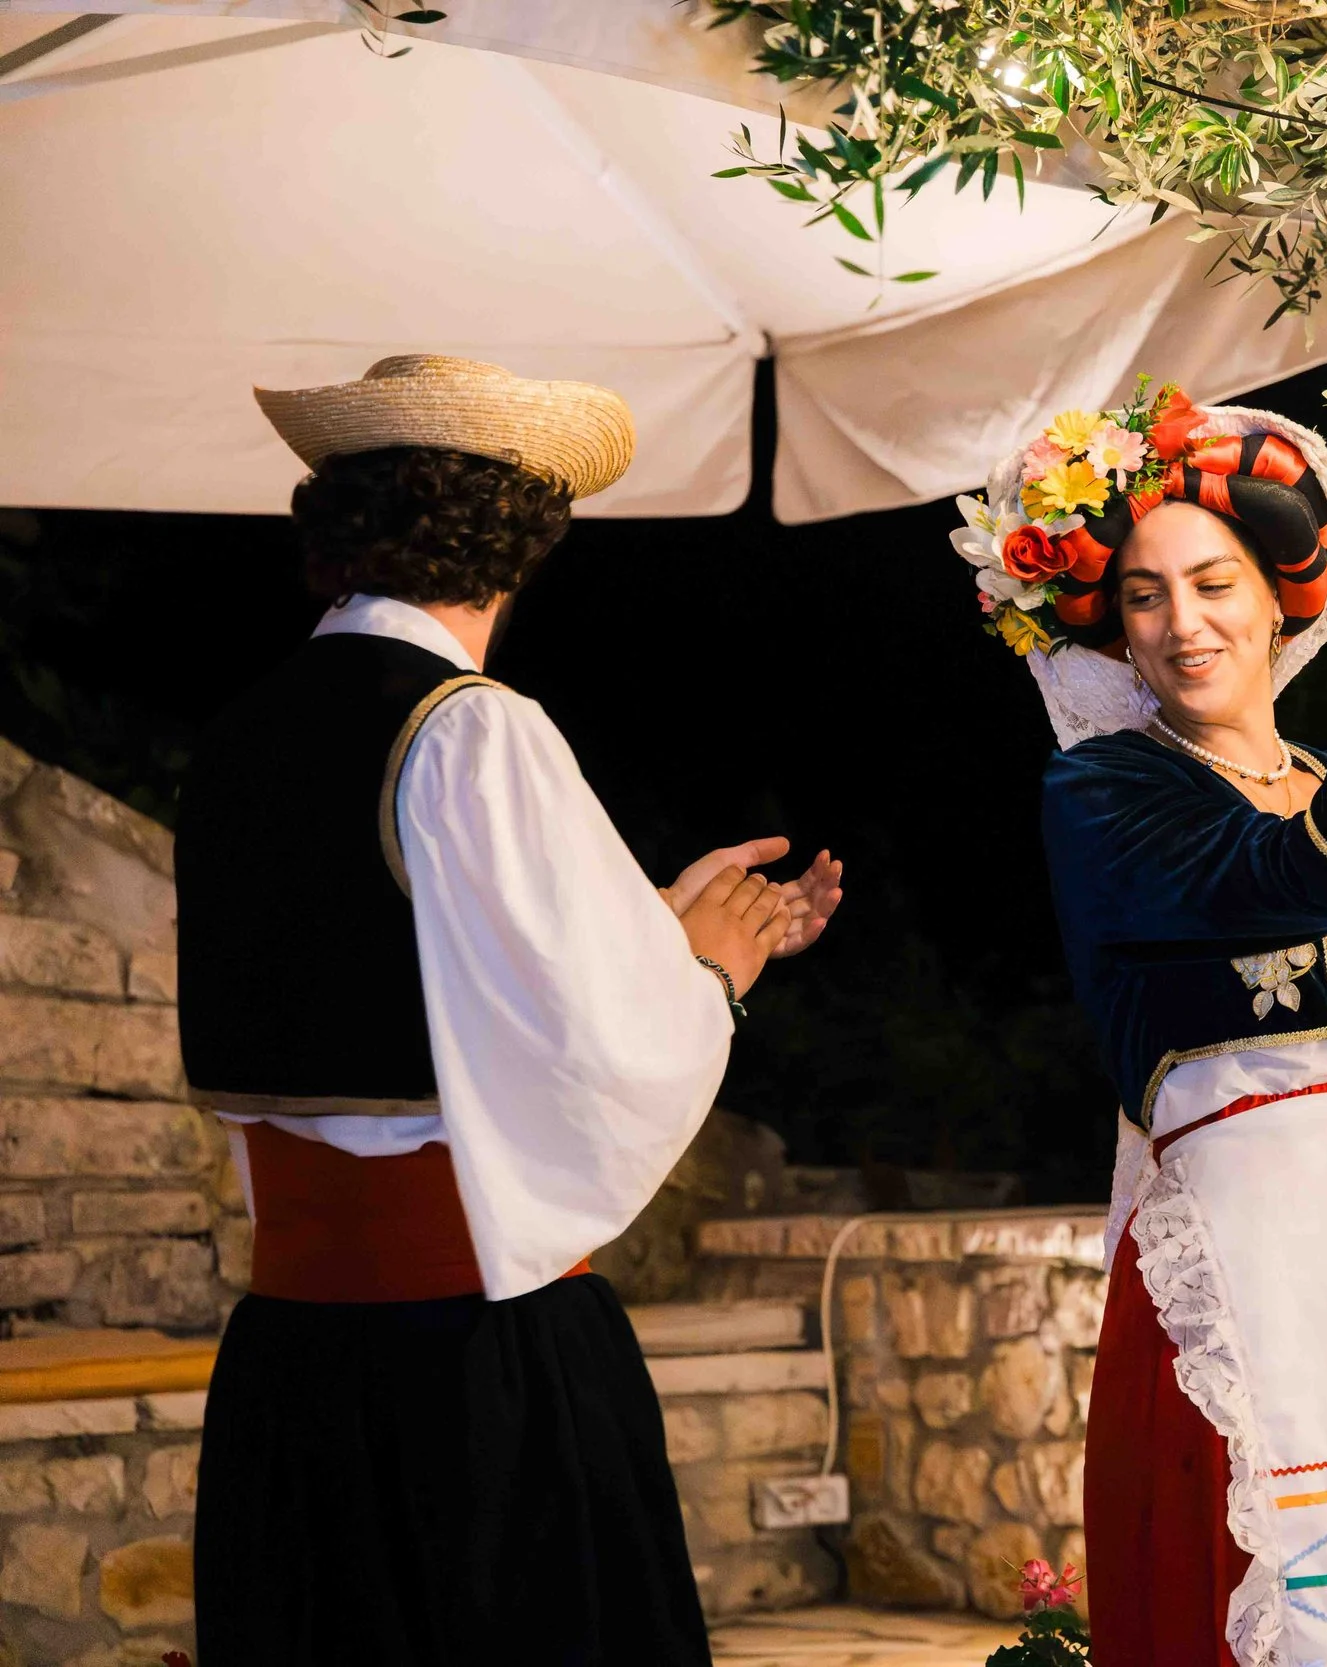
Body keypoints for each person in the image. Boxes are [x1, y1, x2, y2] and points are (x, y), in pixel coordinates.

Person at [177, 355, 844, 1666]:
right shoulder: (471, 728)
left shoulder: (240, 736)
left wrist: (653, 921)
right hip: (469, 1352)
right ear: (522, 541)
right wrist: (711, 971)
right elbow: (600, 1050)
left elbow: (433, 962)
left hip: (289, 1361)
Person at [944, 384, 1327, 1664]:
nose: (1182, 622)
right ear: (1115, 633)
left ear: (1278, 599)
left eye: (1213, 582)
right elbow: (1308, 873)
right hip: (1242, 1257)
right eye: (1144, 596)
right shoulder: (1106, 790)